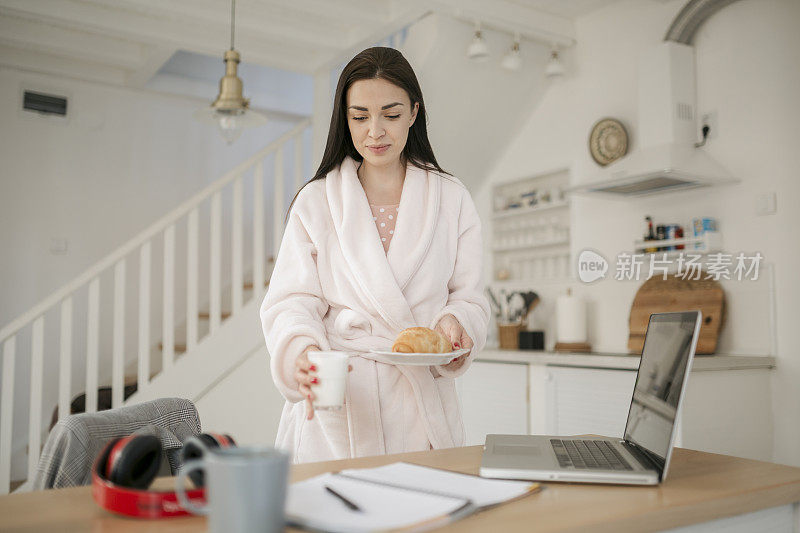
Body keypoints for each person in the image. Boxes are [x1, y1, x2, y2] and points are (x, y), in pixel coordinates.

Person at [260, 46, 490, 464]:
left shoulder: (451, 198)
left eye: (391, 114)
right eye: (360, 117)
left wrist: (456, 322)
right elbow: (291, 301)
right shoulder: (316, 202)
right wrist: (303, 356)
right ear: (345, 118)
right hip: (341, 402)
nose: (375, 131)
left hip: (419, 409)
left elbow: (469, 294)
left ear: (414, 112)